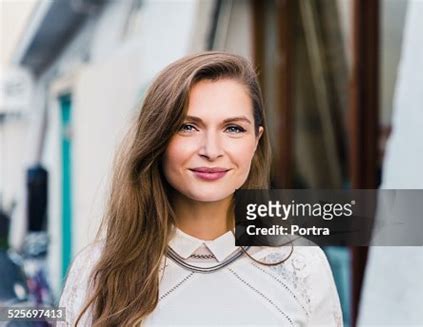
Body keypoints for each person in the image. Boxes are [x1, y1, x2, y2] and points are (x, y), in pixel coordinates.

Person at [58, 51, 342, 326]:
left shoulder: (303, 266)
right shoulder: (96, 270)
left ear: (256, 141)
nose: (211, 150)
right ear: (157, 138)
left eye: (233, 129)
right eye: (188, 127)